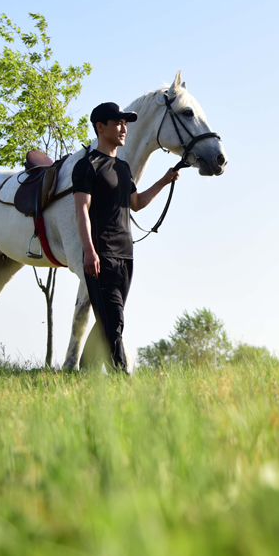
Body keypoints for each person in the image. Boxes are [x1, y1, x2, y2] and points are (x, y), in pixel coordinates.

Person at [73, 102, 179, 372]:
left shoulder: (123, 168)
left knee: (107, 320)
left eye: (126, 123)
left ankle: (81, 373)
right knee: (115, 322)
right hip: (101, 256)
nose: (124, 128)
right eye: (118, 123)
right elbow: (81, 210)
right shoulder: (87, 166)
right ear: (100, 127)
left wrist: (165, 180)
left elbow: (137, 202)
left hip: (126, 255)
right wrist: (89, 251)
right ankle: (122, 378)